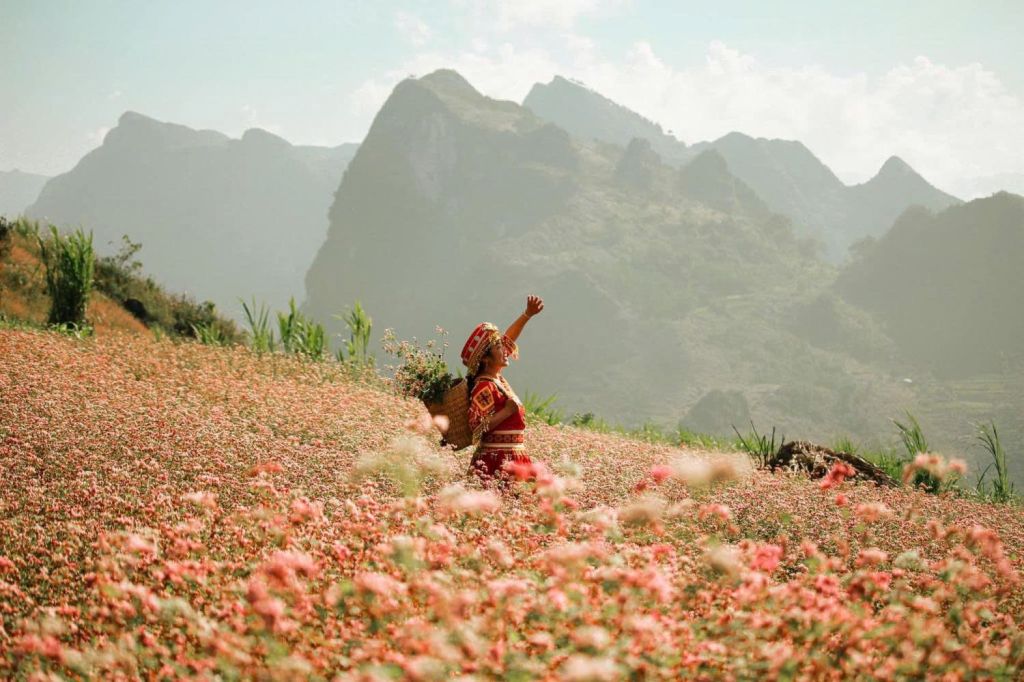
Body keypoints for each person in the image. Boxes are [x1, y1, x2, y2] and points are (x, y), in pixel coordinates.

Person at [460, 295, 544, 484]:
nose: (505, 350)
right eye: (498, 348)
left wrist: (527, 315)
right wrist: (507, 411)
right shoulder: (484, 386)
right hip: (495, 462)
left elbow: (508, 339)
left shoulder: (497, 380)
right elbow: (477, 428)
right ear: (486, 359)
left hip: (514, 457)